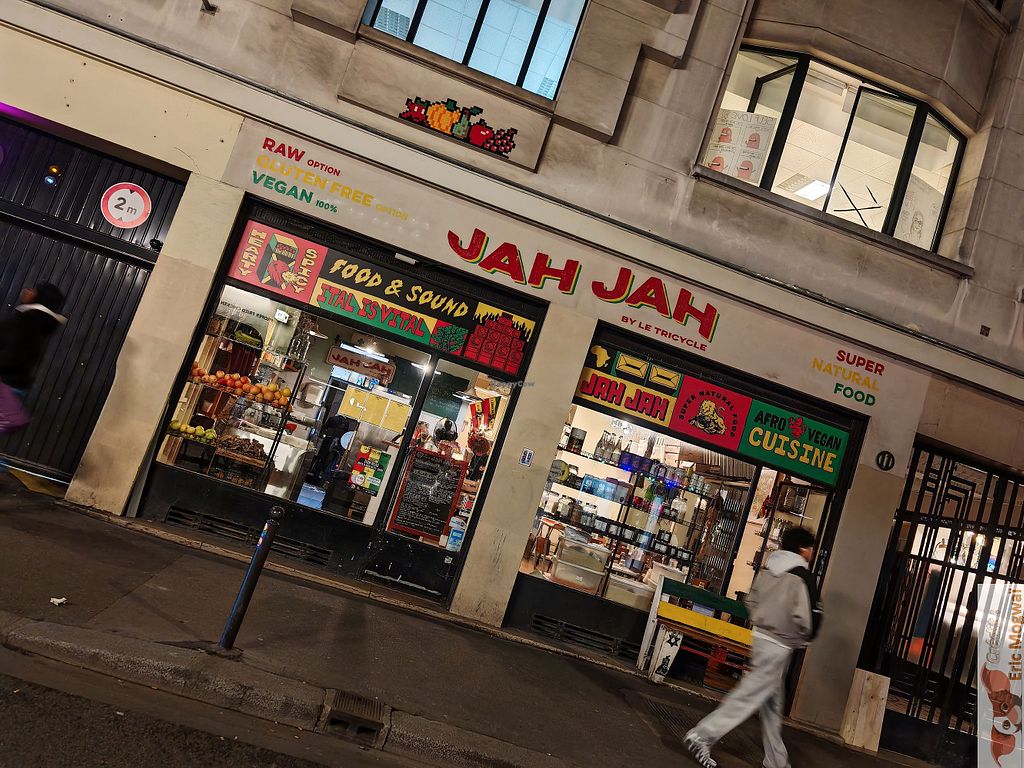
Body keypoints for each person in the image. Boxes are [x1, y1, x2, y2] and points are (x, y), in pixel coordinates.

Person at [684, 526, 823, 768]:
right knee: (749, 696)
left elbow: (751, 600)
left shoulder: (768, 568)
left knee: (771, 705)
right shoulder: (804, 576)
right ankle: (702, 735)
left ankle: (776, 761)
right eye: (811, 548)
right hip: (781, 644)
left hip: (761, 637)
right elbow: (807, 618)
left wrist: (763, 621)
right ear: (803, 549)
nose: (812, 553)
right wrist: (802, 638)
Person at [0, 282, 66, 401]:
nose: (27, 291)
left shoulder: (24, 323)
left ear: (39, 298)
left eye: (33, 290)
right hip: (14, 387)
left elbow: (9, 356)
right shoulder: (38, 325)